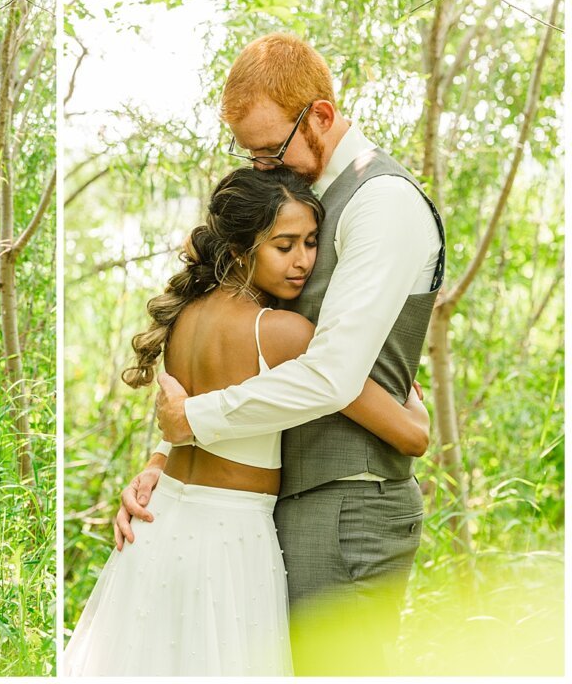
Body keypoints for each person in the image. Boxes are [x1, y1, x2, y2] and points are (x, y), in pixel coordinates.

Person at [115, 33, 446, 675]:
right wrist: (165, 459)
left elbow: (332, 372)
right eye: (252, 156)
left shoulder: (383, 202)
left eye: (272, 150)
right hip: (284, 502)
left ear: (320, 116)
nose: (265, 168)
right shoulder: (307, 204)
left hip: (350, 499)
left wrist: (194, 422)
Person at [65, 166, 430, 676]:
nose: (303, 260)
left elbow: (181, 427)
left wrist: (152, 465)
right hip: (230, 539)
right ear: (240, 250)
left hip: (157, 527)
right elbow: (412, 438)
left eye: (310, 242)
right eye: (284, 246)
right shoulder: (284, 333)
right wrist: (417, 407)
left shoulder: (182, 320)